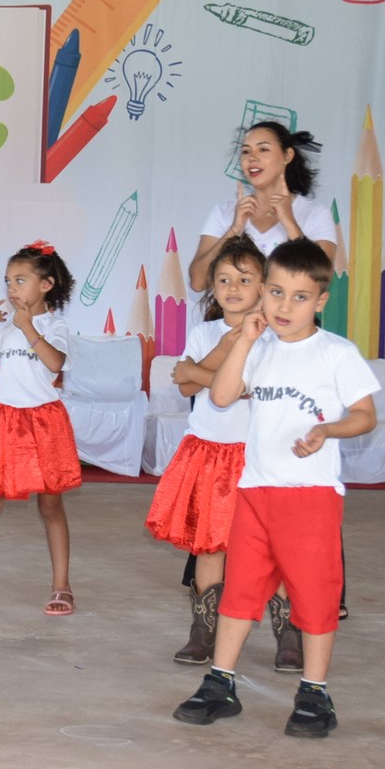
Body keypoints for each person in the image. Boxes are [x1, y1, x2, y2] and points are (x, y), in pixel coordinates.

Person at [172, 239, 377, 738]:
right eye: (277, 293)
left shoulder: (335, 353)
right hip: (255, 491)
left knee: (314, 593)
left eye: (299, 297)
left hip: (309, 496)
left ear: (321, 301)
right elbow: (220, 396)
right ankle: (220, 683)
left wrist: (327, 430)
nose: (285, 307)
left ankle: (314, 692)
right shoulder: (258, 348)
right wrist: (243, 339)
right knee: (240, 591)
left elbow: (366, 416)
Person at [144, 235, 263, 665]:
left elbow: (207, 382)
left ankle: (290, 633)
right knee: (210, 545)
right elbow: (188, 385)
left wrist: (199, 372)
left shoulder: (272, 338)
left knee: (268, 546)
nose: (233, 288)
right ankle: (204, 627)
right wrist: (226, 348)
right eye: (224, 279)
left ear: (264, 287)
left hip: (256, 455)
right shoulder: (206, 331)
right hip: (210, 450)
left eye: (244, 279)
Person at [0, 241, 83, 615]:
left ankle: (62, 585)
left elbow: (55, 362)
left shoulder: (54, 325)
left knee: (51, 505)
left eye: (20, 280)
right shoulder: (3, 325)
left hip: (45, 423)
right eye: (7, 281)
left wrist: (29, 327)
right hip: (5, 420)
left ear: (46, 285)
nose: (11, 289)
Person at [188, 123, 336, 292]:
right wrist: (233, 231)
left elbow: (320, 280)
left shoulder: (316, 214)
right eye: (246, 151)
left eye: (263, 149)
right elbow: (197, 283)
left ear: (288, 155)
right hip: (235, 319)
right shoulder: (224, 211)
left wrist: (289, 222)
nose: (252, 157)